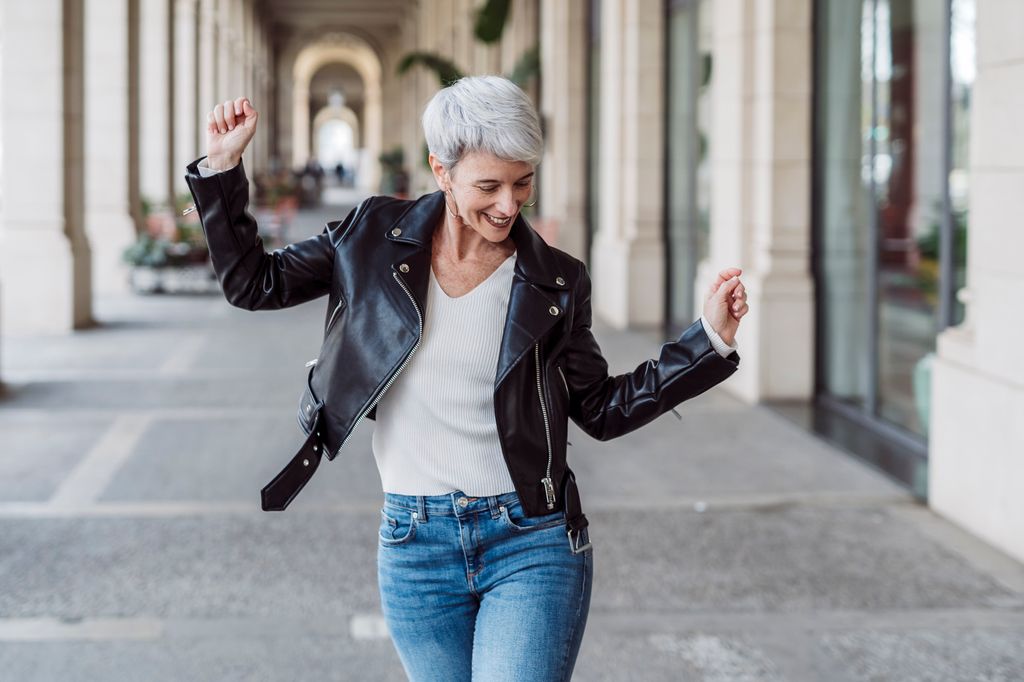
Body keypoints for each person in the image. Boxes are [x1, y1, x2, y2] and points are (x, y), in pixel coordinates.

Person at [185, 75, 748, 681]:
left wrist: (707, 342)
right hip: (413, 545)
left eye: (523, 182)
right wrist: (222, 172)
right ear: (441, 171)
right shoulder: (371, 235)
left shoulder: (555, 281)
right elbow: (254, 283)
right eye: (490, 185)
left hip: (529, 542)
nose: (509, 205)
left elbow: (602, 408)